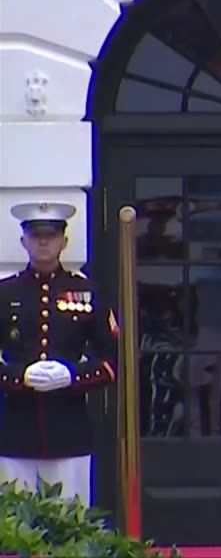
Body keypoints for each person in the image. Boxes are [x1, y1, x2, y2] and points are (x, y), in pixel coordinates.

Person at [0, 202, 118, 505]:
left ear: (63, 241)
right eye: (36, 235)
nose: (43, 242)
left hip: (69, 427)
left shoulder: (87, 293)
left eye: (51, 235)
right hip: (15, 427)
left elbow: (114, 360)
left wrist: (72, 376)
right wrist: (17, 377)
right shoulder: (5, 293)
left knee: (71, 522)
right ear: (23, 241)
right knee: (16, 528)